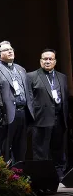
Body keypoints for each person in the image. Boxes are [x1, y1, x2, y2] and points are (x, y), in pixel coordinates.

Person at [0, 41, 33, 162]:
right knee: (4, 148)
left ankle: (20, 175)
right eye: (6, 50)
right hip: (6, 113)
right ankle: (5, 177)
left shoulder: (21, 69)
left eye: (11, 49)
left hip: (22, 112)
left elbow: (27, 91)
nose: (10, 51)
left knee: (21, 147)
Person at [29, 49, 69, 179]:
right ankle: (43, 178)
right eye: (45, 59)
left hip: (59, 119)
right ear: (40, 61)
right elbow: (29, 100)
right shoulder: (32, 76)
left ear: (55, 61)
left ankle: (60, 176)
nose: (47, 61)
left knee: (58, 151)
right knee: (41, 152)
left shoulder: (62, 77)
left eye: (50, 59)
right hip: (41, 120)